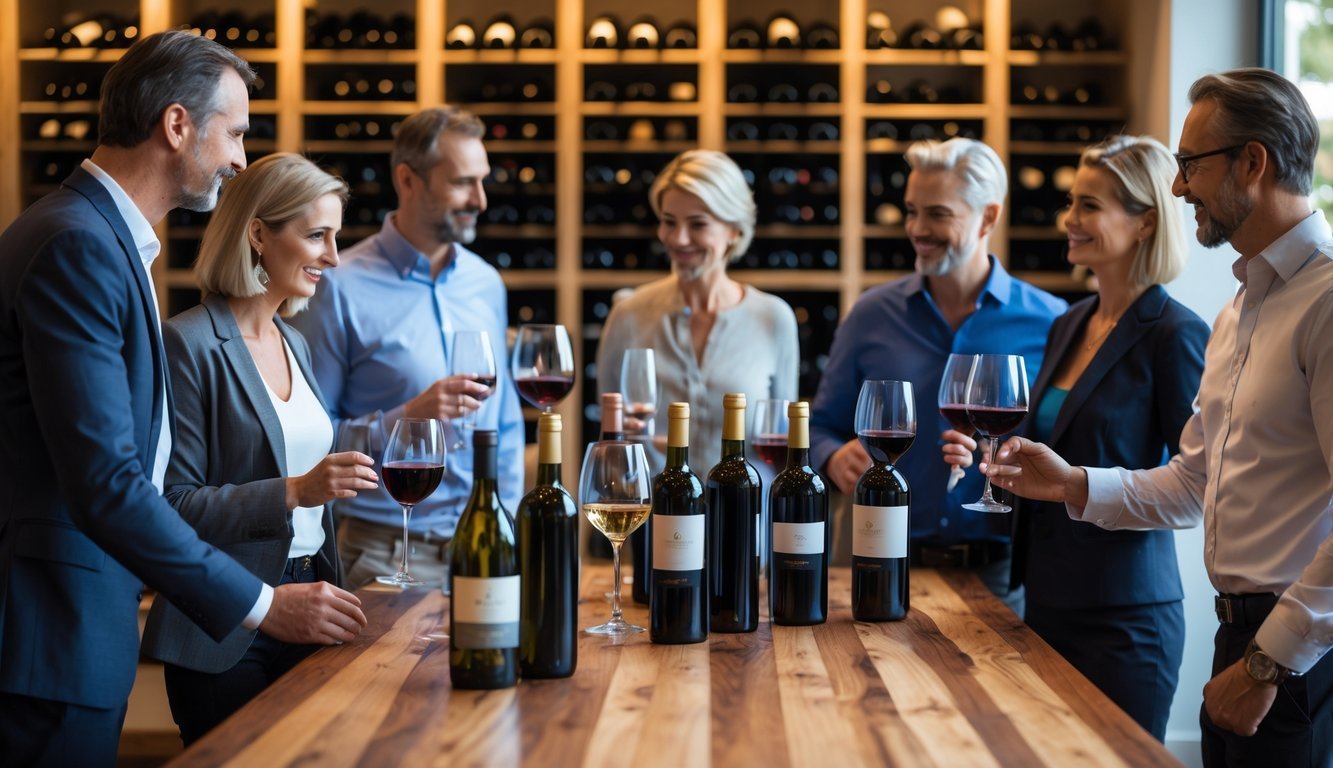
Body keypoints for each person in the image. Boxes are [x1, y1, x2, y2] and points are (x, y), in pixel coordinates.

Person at [0, 32, 365, 766]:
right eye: (233, 132)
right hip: (54, 635)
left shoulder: (91, 237)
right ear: (176, 126)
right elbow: (109, 484)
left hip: (69, 634)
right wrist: (263, 606)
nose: (238, 158)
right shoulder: (79, 244)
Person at [983, 68, 1333, 767]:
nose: (1178, 188)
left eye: (1189, 165)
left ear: (1252, 162)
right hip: (1234, 637)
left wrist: (1269, 661)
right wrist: (1071, 485)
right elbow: (1192, 480)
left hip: (1295, 655)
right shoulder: (1238, 310)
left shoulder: (1324, 303)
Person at [943, 136, 1208, 740]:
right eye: (1071, 202)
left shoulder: (1176, 334)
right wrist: (994, 457)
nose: (1069, 220)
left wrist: (1072, 483)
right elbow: (1055, 446)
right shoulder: (1070, 322)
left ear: (1145, 221)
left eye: (1089, 206)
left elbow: (1196, 489)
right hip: (1045, 601)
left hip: (1125, 619)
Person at [139, 153, 378, 745]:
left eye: (336, 237)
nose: (333, 257)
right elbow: (170, 505)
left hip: (315, 603)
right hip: (226, 628)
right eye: (316, 235)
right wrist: (298, 490)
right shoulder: (188, 342)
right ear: (257, 234)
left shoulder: (294, 340)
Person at [809, 137, 1066, 611]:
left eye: (937, 214)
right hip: (877, 555)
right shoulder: (871, 315)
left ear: (988, 217)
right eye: (911, 211)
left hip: (1000, 573)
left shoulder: (1050, 323)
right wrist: (832, 456)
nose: (917, 229)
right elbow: (819, 424)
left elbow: (1061, 445)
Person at [291, 106, 524, 589]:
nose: (480, 200)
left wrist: (510, 522)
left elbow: (505, 426)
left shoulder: (487, 284)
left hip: (483, 549)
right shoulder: (338, 287)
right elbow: (312, 442)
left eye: (482, 181)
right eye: (462, 182)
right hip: (384, 555)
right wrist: (408, 416)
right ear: (408, 179)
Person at [595, 149, 799, 473]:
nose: (678, 238)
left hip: (744, 518)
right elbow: (610, 441)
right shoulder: (629, 314)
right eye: (668, 222)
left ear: (734, 230)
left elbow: (786, 447)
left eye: (698, 224)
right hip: (653, 517)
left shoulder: (774, 319)